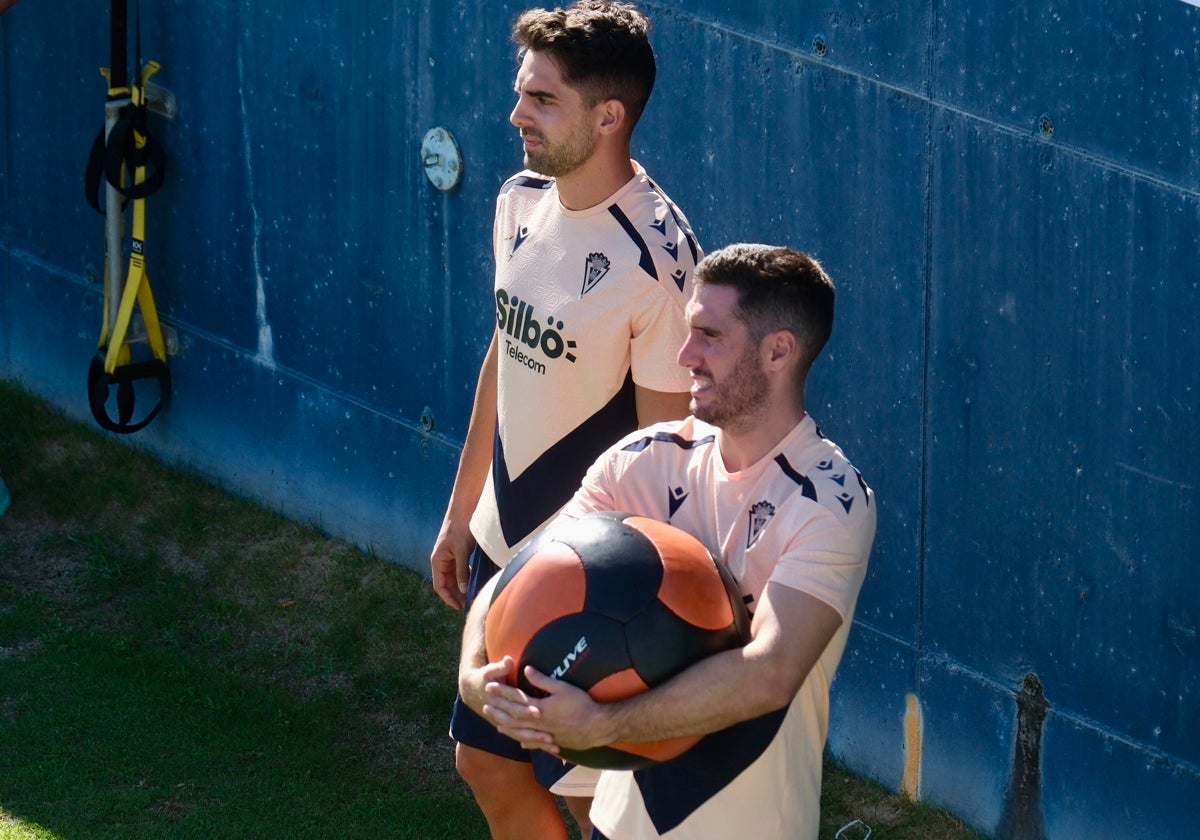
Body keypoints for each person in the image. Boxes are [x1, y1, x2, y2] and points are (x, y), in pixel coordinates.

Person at [460, 244, 878, 840]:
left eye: (709, 335)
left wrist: (602, 724)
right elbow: (517, 574)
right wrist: (475, 674)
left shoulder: (831, 502)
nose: (685, 355)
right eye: (688, 332)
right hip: (620, 823)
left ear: (779, 350)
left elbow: (770, 672)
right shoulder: (644, 459)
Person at [429, 2, 702, 836]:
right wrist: (459, 518)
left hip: (591, 585)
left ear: (608, 115)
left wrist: (627, 610)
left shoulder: (659, 261)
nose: (516, 114)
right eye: (522, 94)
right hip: (497, 551)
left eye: (542, 100)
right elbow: (504, 358)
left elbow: (668, 458)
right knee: (483, 761)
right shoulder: (518, 200)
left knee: (593, 806)